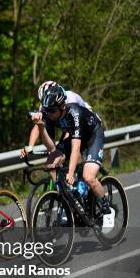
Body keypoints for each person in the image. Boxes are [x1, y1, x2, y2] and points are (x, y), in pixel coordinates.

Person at [33, 85, 114, 230]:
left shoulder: (75, 112)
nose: (49, 114)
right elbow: (51, 146)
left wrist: (70, 173)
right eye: (46, 110)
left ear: (62, 106)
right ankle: (67, 201)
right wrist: (40, 126)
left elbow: (76, 148)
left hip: (93, 135)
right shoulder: (50, 114)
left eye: (52, 111)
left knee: (89, 177)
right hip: (76, 137)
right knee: (52, 161)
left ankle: (107, 209)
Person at [21, 81, 93, 159]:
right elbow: (38, 125)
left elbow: (71, 129)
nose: (46, 105)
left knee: (69, 151)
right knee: (54, 156)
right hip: (64, 120)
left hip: (83, 121)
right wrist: (30, 147)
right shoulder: (45, 105)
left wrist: (61, 150)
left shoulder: (70, 99)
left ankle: (77, 168)